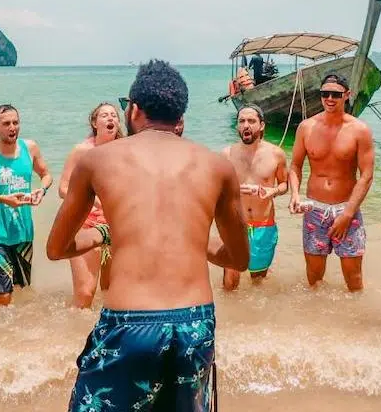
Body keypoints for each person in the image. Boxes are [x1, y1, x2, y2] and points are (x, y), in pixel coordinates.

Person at [46, 60, 249, 411]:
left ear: (134, 109)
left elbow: (56, 248)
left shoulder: (97, 161)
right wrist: (194, 241)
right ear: (180, 117)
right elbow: (240, 259)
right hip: (194, 321)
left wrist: (104, 234)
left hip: (129, 322)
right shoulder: (218, 166)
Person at [288, 73, 374, 292]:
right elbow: (295, 166)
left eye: (335, 94)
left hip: (347, 209)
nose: (330, 98)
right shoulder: (306, 127)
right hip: (314, 210)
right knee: (314, 280)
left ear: (347, 95)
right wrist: (295, 196)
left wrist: (347, 214)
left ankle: (354, 323)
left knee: (354, 280)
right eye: (325, 94)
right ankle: (318, 323)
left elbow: (366, 175)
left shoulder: (359, 130)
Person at [0, 104, 53, 305]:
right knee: (3, 295)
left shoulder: (30, 148)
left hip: (23, 231)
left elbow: (46, 175)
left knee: (23, 288)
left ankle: (14, 333)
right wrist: (2, 199)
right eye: (6, 123)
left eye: (16, 122)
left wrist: (41, 191)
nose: (12, 127)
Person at [58, 102, 124, 308]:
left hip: (116, 227)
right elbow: (63, 188)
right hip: (86, 225)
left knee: (110, 290)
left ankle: (104, 333)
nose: (110, 118)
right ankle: (74, 335)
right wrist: (94, 201)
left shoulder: (124, 150)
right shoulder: (82, 150)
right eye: (104, 115)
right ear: (95, 123)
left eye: (114, 115)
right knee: (86, 292)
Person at [221, 104, 288, 290]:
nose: (246, 125)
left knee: (257, 282)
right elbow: (218, 189)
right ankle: (231, 317)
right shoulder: (227, 154)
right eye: (241, 121)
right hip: (236, 225)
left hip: (263, 226)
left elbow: (284, 185)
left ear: (262, 125)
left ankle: (256, 318)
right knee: (229, 283)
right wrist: (233, 190)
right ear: (237, 126)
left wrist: (272, 191)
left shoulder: (276, 154)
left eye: (251, 121)